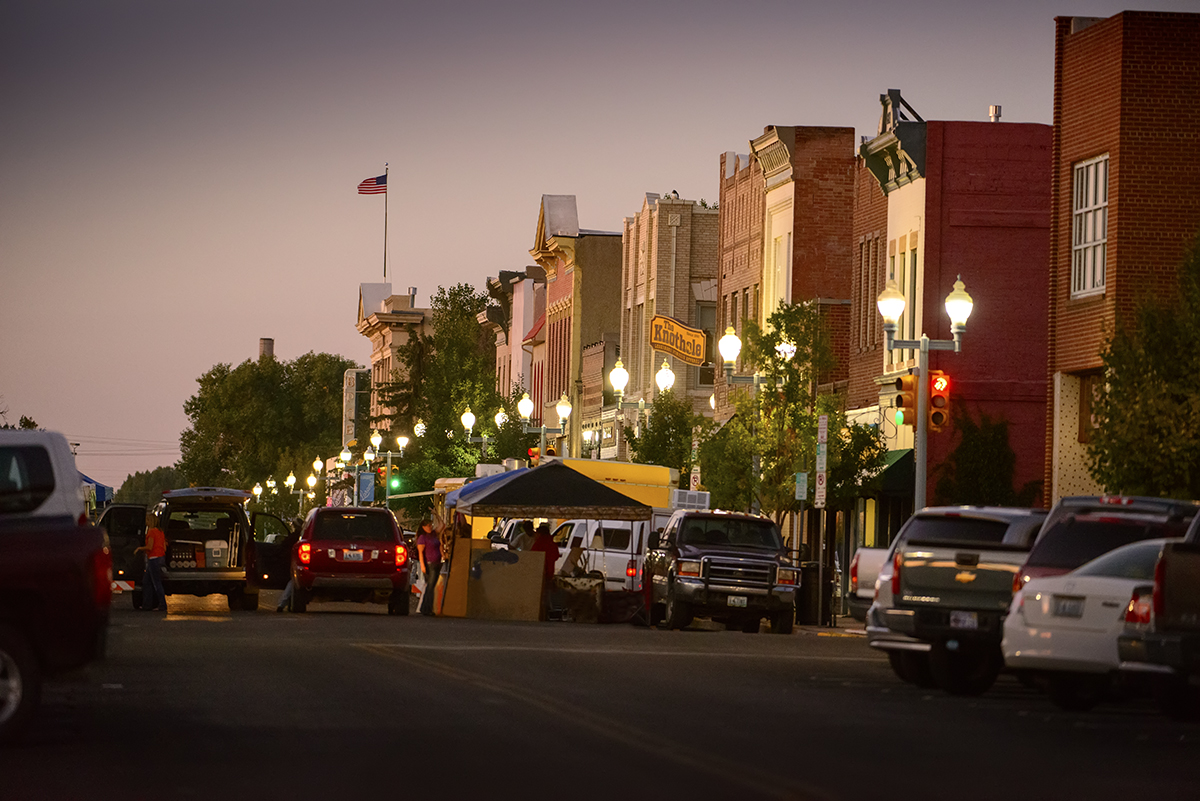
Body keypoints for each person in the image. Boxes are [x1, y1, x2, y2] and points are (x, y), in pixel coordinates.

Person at [134, 511, 168, 612]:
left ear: (150, 521)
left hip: (153, 559)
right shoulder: (160, 532)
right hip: (161, 557)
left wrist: (139, 548)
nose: (145, 522)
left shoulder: (151, 532)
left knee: (156, 583)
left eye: (147, 520)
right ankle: (147, 605)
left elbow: (149, 547)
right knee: (146, 581)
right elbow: (164, 548)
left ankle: (162, 605)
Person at [530, 522, 560, 620]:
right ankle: (545, 615)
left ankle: (540, 615)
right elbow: (556, 556)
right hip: (549, 573)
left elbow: (533, 558)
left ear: (540, 534)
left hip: (538, 574)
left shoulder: (538, 544)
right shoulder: (552, 544)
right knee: (546, 596)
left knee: (538, 597)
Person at [416, 517, 442, 616]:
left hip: (437, 562)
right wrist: (422, 565)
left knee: (431, 586)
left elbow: (442, 525)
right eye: (427, 526)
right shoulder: (422, 537)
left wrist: (436, 514)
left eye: (430, 525)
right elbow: (420, 553)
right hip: (430, 563)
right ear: (423, 527)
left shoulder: (434, 534)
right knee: (430, 586)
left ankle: (425, 607)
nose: (430, 527)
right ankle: (427, 608)